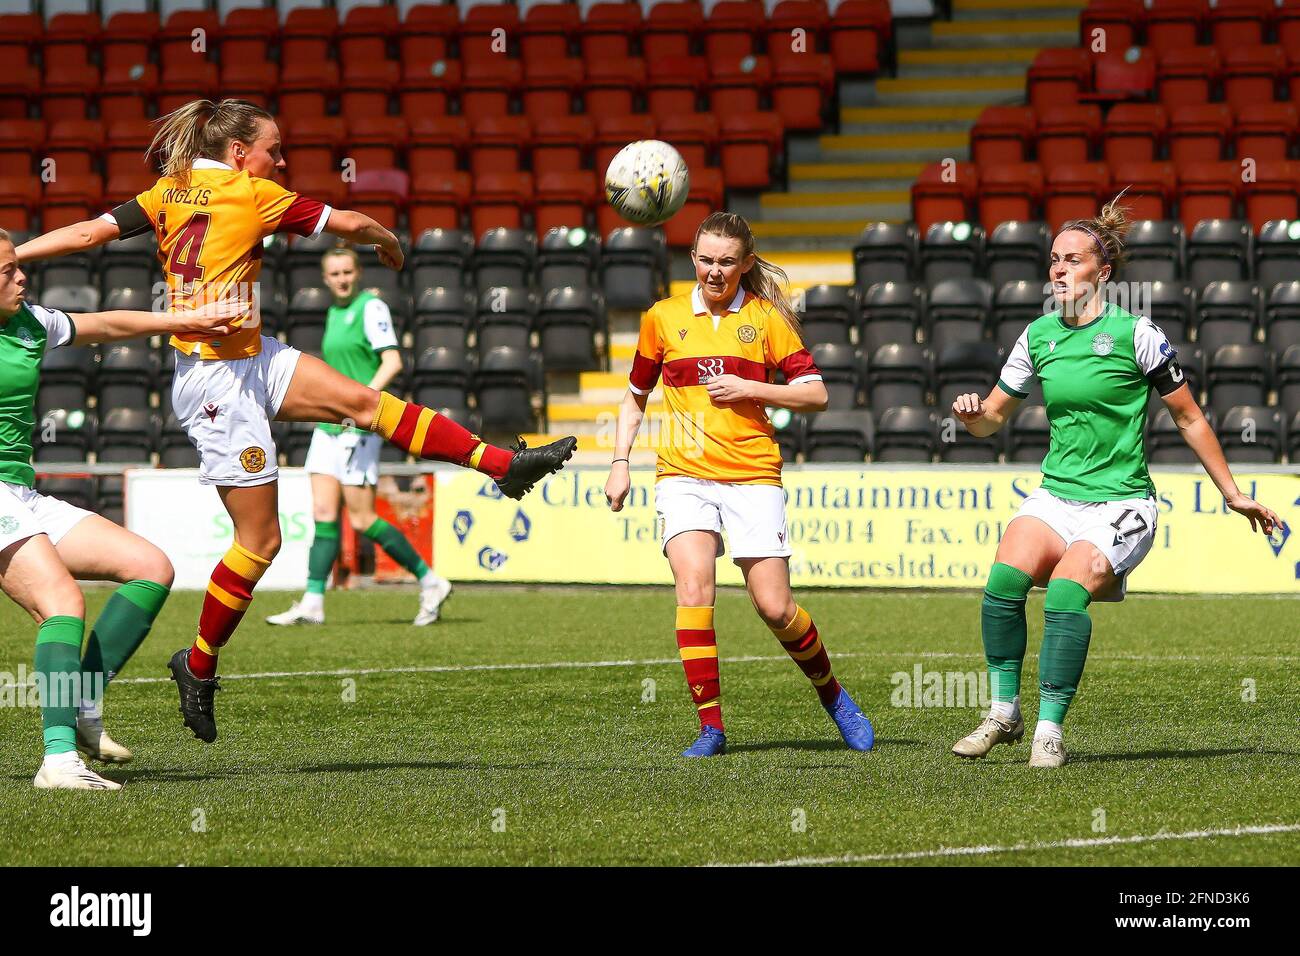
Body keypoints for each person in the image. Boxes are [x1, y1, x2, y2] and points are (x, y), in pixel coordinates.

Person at [16, 99, 576, 745]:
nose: (280, 160)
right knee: (260, 544)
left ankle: (501, 465)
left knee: (364, 403)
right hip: (216, 385)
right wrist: (389, 239)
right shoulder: (255, 194)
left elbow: (88, 234)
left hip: (254, 354)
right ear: (238, 153)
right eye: (273, 149)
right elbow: (353, 222)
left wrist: (15, 252)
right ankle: (196, 666)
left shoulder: (169, 191)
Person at [950, 195, 1283, 768]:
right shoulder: (1038, 336)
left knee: (1062, 593)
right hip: (1057, 494)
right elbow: (993, 421)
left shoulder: (1137, 333)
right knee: (1003, 581)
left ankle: (1048, 731)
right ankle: (1004, 713)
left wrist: (1233, 494)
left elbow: (1189, 416)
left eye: (1072, 260)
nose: (1058, 269)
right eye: (1054, 259)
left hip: (1120, 502)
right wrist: (971, 416)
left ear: (1102, 273)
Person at [604, 212, 874, 758]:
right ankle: (712, 728)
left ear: (746, 264)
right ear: (693, 259)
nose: (714, 271)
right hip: (683, 474)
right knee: (693, 588)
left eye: (727, 261)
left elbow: (816, 394)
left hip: (752, 473)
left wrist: (751, 387)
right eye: (705, 259)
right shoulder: (662, 318)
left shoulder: (767, 319)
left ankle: (833, 694)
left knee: (775, 608)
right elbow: (635, 394)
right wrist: (619, 459)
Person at [0, 227, 240, 789]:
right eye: (7, 271)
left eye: (17, 265)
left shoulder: (30, 322)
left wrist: (184, 321)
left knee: (150, 568)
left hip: (18, 490)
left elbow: (105, 324)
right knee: (62, 602)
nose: (21, 277)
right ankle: (58, 760)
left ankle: (82, 704)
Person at [268, 247, 452, 627]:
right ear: (325, 278)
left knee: (363, 519)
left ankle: (431, 581)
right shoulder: (333, 313)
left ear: (358, 272)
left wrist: (361, 405)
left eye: (347, 271)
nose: (341, 279)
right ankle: (313, 602)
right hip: (329, 425)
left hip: (359, 425)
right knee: (322, 513)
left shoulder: (371, 308)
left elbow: (392, 361)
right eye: (334, 273)